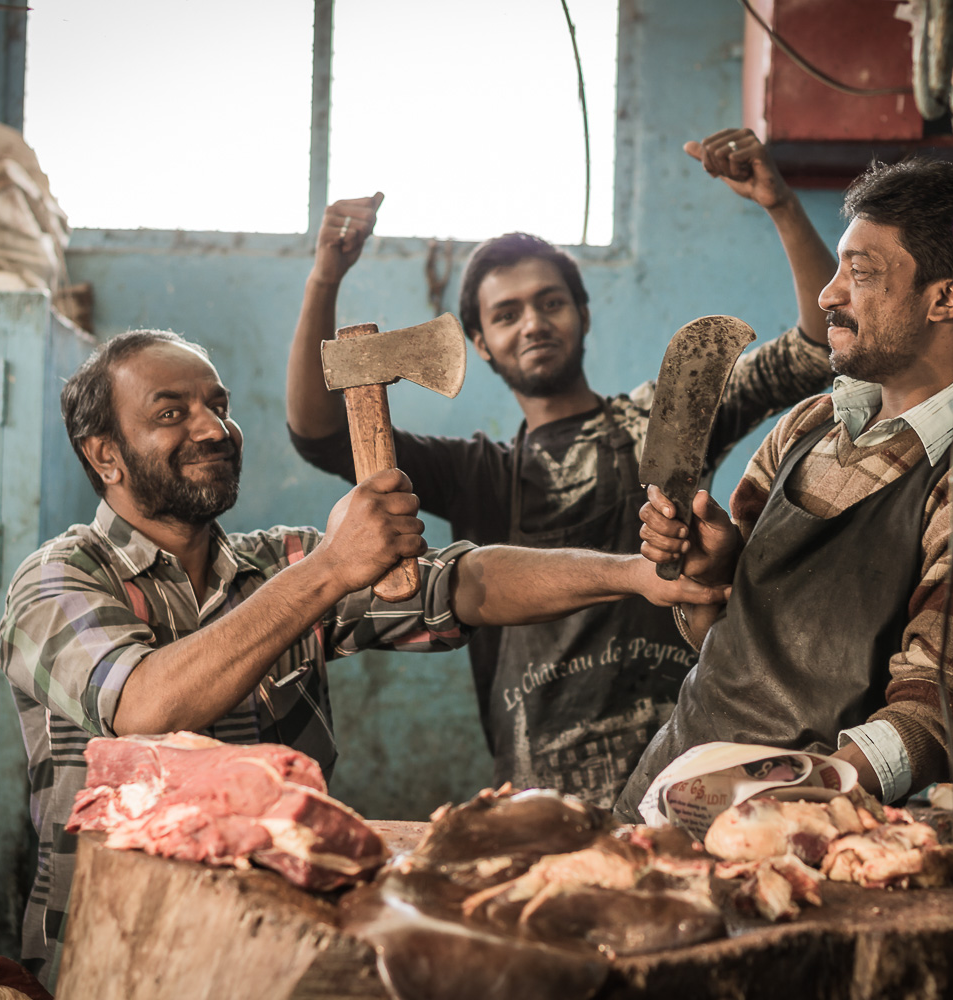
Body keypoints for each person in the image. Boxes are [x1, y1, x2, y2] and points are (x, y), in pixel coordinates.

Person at [0, 330, 724, 987]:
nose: (213, 428)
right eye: (170, 413)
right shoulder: (59, 578)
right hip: (118, 952)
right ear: (104, 454)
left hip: (273, 955)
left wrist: (634, 575)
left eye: (218, 405)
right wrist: (329, 569)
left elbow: (468, 583)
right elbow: (146, 706)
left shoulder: (273, 564)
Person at [287, 128, 839, 807]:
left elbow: (817, 348)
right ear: (481, 345)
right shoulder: (478, 474)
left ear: (581, 313)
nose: (533, 324)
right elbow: (317, 434)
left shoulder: (666, 416)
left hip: (689, 771)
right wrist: (325, 277)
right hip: (541, 794)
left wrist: (781, 204)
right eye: (506, 314)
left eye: (550, 302)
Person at [616, 157, 953, 821]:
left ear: (945, 298)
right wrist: (710, 575)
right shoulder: (810, 424)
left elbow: (938, 716)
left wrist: (770, 800)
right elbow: (716, 640)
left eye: (859, 274)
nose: (829, 294)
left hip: (799, 829)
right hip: (663, 788)